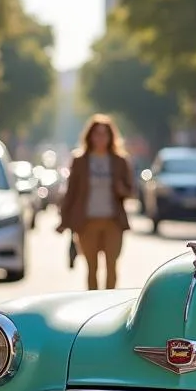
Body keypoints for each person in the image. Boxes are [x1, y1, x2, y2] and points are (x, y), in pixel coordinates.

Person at [58, 114, 134, 290]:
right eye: (97, 134)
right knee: (92, 268)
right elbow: (71, 193)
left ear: (111, 137)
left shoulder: (120, 161)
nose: (100, 138)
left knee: (112, 267)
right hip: (87, 222)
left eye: (104, 134)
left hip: (113, 221)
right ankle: (94, 304)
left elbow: (131, 190)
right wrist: (64, 220)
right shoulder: (80, 161)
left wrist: (122, 189)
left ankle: (110, 304)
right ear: (90, 136)